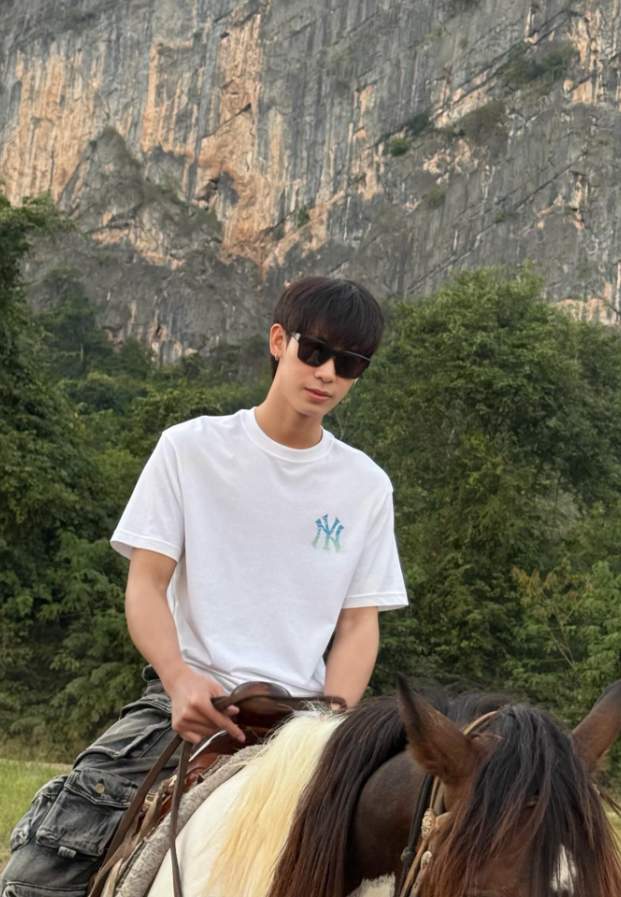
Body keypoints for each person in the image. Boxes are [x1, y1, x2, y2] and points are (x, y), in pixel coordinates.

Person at [1, 275, 408, 897]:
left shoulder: (366, 486)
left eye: (349, 363)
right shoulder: (190, 449)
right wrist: (178, 678)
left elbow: (358, 625)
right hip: (187, 706)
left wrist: (332, 724)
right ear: (279, 341)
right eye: (315, 351)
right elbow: (147, 584)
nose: (327, 373)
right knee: (41, 868)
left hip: (303, 725)